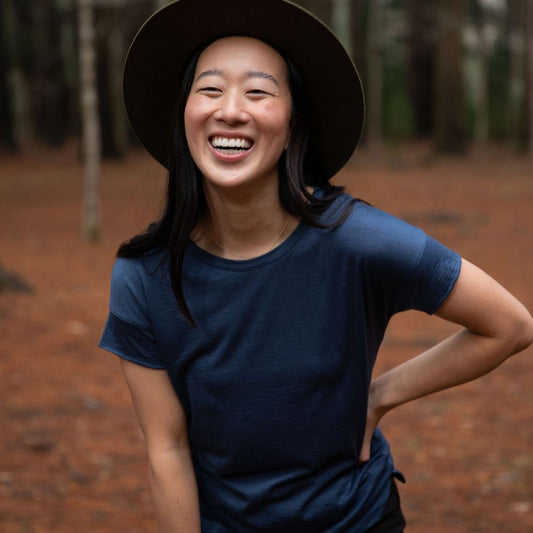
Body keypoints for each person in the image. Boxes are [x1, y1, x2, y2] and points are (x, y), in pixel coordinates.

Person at [99, 0, 533, 531]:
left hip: (357, 519)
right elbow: (167, 449)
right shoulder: (144, 276)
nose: (230, 110)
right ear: (184, 115)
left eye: (258, 92)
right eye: (209, 89)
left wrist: (377, 396)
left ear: (293, 122)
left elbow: (509, 325)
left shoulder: (359, 241)